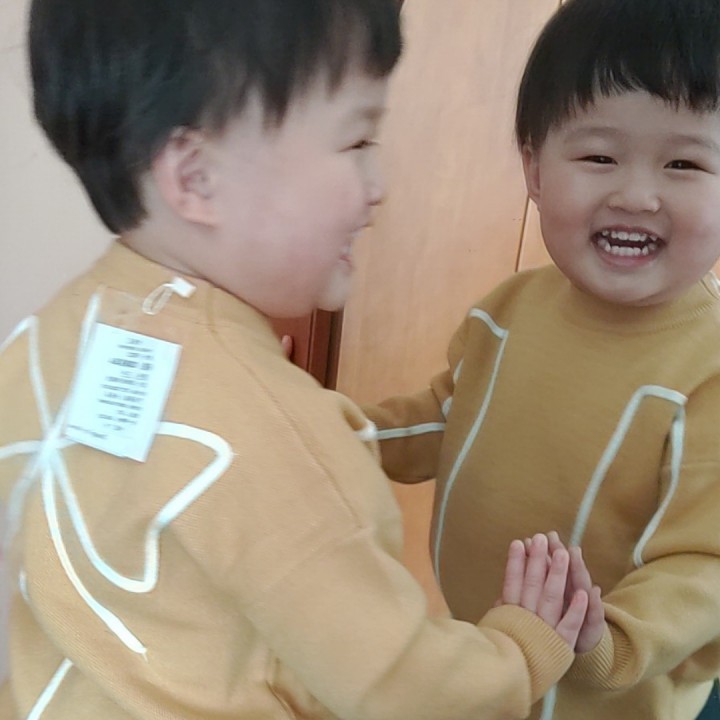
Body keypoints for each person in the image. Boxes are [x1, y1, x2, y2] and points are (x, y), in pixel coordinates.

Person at [0, 1, 601, 718]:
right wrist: (524, 647)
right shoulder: (272, 434)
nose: (378, 186)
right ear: (196, 177)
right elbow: (409, 691)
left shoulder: (39, 341)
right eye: (356, 140)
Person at [365, 0, 720, 718]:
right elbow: (445, 418)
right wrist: (339, 432)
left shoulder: (706, 369)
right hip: (488, 651)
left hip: (616, 693)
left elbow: (704, 564)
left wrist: (607, 638)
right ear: (534, 169)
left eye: (684, 163)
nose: (636, 195)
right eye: (598, 157)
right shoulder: (508, 309)